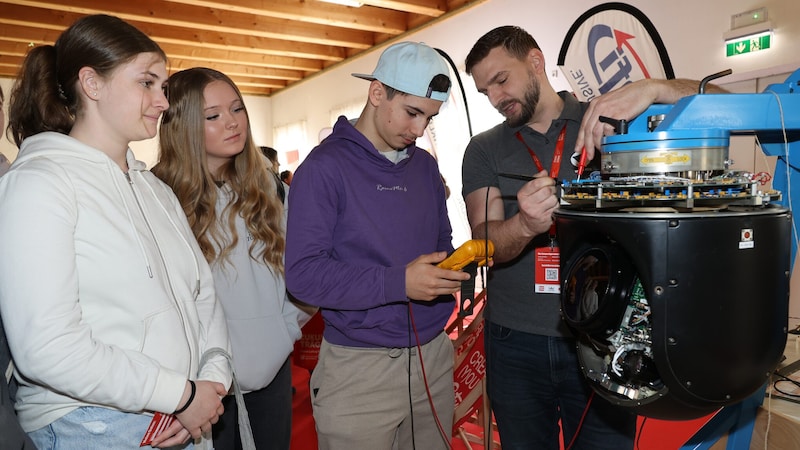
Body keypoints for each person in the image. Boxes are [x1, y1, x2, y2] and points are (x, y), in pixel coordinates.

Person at [461, 25, 724, 449]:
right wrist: (526, 225)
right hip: (514, 341)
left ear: (535, 61)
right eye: (484, 91)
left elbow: (730, 104)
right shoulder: (484, 149)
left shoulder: (610, 119)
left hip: (604, 338)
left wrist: (654, 89)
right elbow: (486, 243)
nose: (495, 98)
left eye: (501, 80)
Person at [0, 15, 232, 449]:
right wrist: (180, 394)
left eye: (163, 86)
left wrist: (210, 382)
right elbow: (48, 346)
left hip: (180, 417)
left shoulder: (156, 190)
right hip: (91, 426)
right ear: (92, 84)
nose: (163, 101)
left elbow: (204, 296)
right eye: (147, 82)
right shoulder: (40, 182)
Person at [285, 41, 471, 450]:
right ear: (376, 93)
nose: (420, 130)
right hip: (359, 369)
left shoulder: (424, 166)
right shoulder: (322, 169)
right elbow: (303, 277)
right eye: (413, 113)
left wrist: (451, 270)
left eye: (430, 118)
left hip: (433, 357)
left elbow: (441, 241)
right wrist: (399, 283)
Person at [153, 67, 313, 450]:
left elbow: (304, 274)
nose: (232, 122)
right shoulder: (158, 196)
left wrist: (283, 332)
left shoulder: (271, 189)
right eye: (213, 116)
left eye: (237, 109)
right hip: (200, 391)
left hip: (271, 380)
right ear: (184, 126)